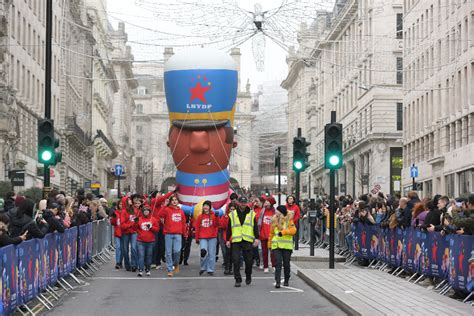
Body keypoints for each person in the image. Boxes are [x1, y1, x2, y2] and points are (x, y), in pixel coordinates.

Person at [226, 196, 259, 287]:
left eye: (244, 202)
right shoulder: (232, 214)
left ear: (247, 203)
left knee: (248, 261)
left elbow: (255, 227)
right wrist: (227, 240)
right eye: (241, 202)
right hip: (236, 240)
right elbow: (229, 228)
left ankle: (248, 275)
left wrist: (256, 238)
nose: (243, 204)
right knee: (236, 260)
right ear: (238, 203)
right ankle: (238, 279)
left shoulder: (252, 214)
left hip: (247, 240)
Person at [269, 205, 296, 288]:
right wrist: (269, 244)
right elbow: (271, 233)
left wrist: (283, 232)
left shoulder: (289, 220)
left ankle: (286, 280)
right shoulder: (274, 220)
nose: (276, 212)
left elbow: (293, 230)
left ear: (281, 212)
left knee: (286, 264)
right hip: (276, 245)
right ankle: (277, 281)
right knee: (278, 263)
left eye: (278, 211)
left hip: (287, 246)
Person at [158, 195, 186, 277]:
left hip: (178, 234)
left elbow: (183, 223)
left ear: (178, 202)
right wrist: (165, 205)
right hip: (168, 233)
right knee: (168, 253)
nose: (174, 201)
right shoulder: (167, 209)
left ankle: (176, 264)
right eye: (172, 200)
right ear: (170, 201)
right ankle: (170, 269)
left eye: (176, 200)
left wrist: (184, 234)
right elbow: (160, 214)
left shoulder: (181, 211)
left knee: (177, 251)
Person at [195, 200, 219, 275]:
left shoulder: (213, 215)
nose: (205, 207)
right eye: (204, 205)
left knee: (211, 254)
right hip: (203, 237)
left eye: (207, 206)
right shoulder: (200, 217)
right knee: (203, 252)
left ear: (210, 207)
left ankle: (210, 269)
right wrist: (197, 238)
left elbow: (217, 224)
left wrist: (217, 217)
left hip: (212, 237)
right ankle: (203, 267)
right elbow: (197, 228)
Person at [135, 207, 160, 276]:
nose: (146, 212)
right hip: (140, 240)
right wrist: (136, 222)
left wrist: (151, 227)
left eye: (147, 211)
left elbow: (157, 230)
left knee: (149, 256)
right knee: (141, 255)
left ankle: (148, 269)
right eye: (144, 211)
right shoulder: (139, 219)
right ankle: (140, 270)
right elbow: (135, 228)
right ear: (142, 212)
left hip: (150, 241)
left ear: (149, 212)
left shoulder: (153, 219)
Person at [257, 196, 276, 273]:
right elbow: (259, 221)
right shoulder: (263, 211)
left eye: (267, 201)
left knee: (273, 252)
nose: (265, 202)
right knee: (264, 252)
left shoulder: (274, 211)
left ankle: (274, 265)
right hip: (263, 234)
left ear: (270, 203)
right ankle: (265, 266)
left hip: (272, 235)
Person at [121, 196, 139, 272]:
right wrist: (130, 225)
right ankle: (127, 265)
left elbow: (138, 221)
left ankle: (134, 265)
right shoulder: (124, 211)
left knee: (134, 248)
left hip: (134, 232)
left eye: (130, 200)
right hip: (125, 232)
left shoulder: (136, 210)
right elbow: (122, 224)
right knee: (125, 250)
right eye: (128, 200)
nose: (130, 201)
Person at [219, 202, 235, 275]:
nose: (232, 211)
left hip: (235, 237)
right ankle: (227, 267)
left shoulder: (237, 216)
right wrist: (226, 219)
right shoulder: (225, 216)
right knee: (226, 253)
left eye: (233, 209)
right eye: (230, 209)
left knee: (232, 253)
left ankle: (230, 268)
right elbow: (222, 226)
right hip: (226, 237)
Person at [110, 200, 123, 269]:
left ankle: (121, 261)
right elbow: (113, 223)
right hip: (117, 233)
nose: (121, 206)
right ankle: (118, 262)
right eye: (120, 204)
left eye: (122, 204)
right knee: (118, 247)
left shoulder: (126, 212)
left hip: (124, 233)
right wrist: (114, 218)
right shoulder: (116, 212)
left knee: (123, 248)